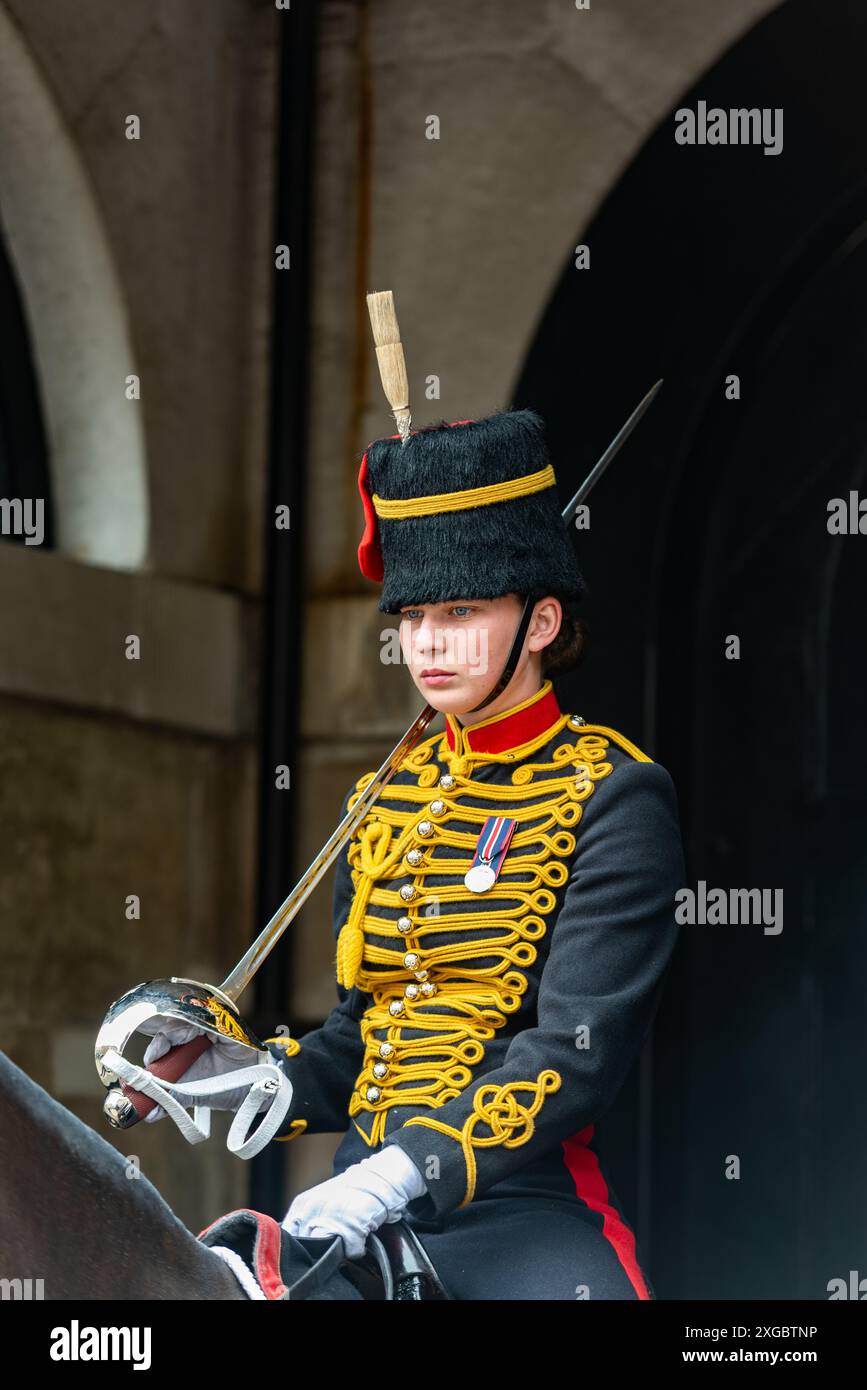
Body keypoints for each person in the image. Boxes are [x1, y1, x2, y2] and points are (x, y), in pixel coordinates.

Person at [145, 408, 686, 1300]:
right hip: (350, 1211)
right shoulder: (384, 797)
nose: (426, 643)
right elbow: (363, 1038)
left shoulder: (615, 793)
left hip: (522, 1216)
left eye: (461, 612)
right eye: (413, 615)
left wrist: (403, 1173)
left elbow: (576, 1054)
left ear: (541, 620)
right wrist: (236, 1075)